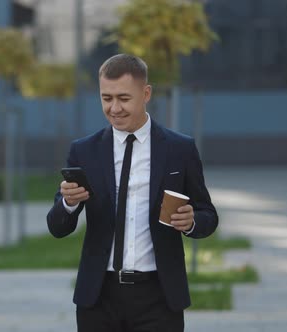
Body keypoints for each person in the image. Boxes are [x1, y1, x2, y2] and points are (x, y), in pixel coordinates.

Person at [46, 54, 218, 331]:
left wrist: (192, 221)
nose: (114, 108)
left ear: (146, 93)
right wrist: (67, 203)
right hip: (98, 297)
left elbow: (208, 214)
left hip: (159, 297)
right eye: (106, 98)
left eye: (124, 98)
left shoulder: (179, 149)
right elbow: (57, 227)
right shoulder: (84, 151)